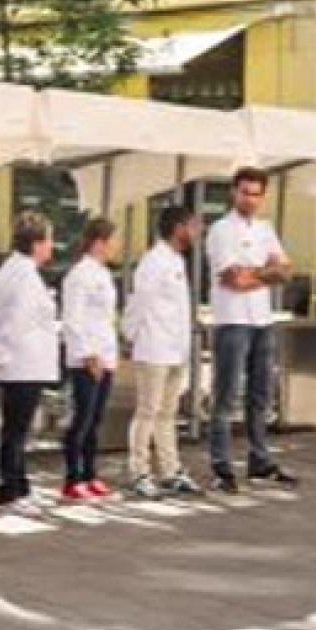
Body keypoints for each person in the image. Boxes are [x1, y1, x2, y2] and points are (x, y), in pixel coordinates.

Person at [204, 167, 299, 493]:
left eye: (256, 194)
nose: (250, 199)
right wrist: (266, 272)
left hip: (262, 319)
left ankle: (260, 458)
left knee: (260, 394)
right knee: (226, 395)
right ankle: (221, 466)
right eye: (245, 192)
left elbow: (286, 271)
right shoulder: (220, 230)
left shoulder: (265, 228)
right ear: (234, 192)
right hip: (232, 320)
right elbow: (234, 280)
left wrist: (254, 273)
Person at [0, 213, 60, 516]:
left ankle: (19, 485)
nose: (51, 246)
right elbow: (16, 321)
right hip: (23, 363)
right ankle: (10, 490)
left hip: (22, 363)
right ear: (37, 243)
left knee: (17, 428)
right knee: (16, 429)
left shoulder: (14, 270)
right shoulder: (24, 275)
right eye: (48, 240)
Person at [122, 206, 200, 500]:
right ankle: (139, 471)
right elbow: (139, 302)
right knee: (148, 411)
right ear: (178, 228)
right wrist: (129, 335)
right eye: (192, 226)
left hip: (175, 350)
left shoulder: (177, 260)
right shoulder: (153, 262)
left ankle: (170, 469)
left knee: (168, 413)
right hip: (154, 348)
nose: (196, 232)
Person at [60, 218, 119, 502]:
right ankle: (72, 476)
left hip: (105, 354)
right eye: (112, 241)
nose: (115, 247)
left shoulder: (103, 273)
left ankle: (89, 473)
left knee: (95, 419)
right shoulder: (79, 275)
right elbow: (73, 319)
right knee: (82, 417)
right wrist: (87, 354)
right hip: (87, 357)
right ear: (99, 243)